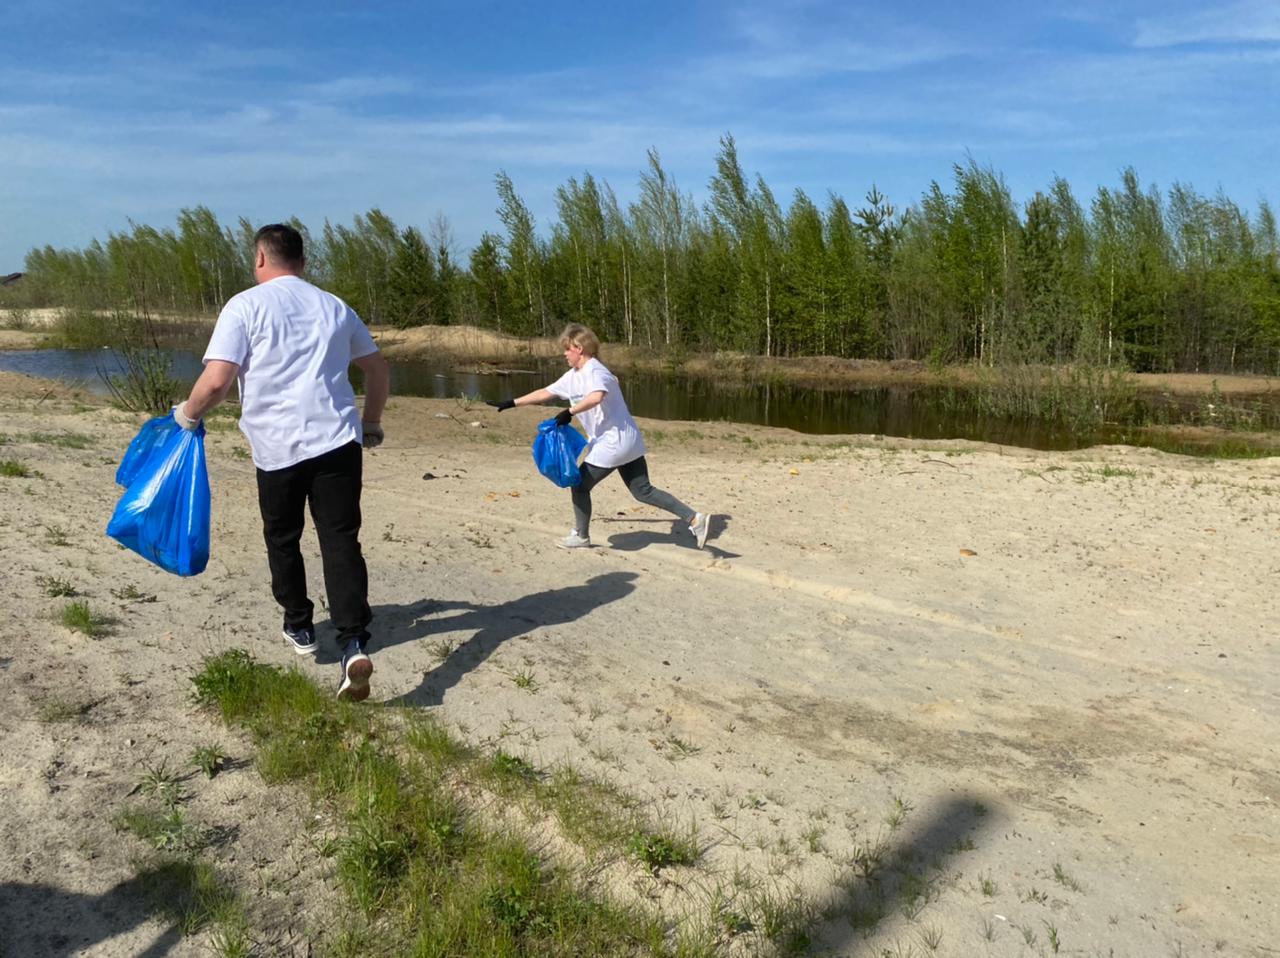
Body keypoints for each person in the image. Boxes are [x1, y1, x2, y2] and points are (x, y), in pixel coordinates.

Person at [173, 224, 390, 702]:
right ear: (303, 262)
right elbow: (377, 367)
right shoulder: (334, 306)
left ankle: (300, 624)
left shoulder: (244, 306)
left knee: (283, 537)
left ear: (259, 258)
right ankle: (353, 642)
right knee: (340, 540)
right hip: (338, 442)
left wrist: (187, 416)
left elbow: (217, 381)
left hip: (278, 449)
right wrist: (371, 422)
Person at [489, 323, 711, 550]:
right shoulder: (573, 376)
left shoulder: (596, 371)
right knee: (643, 491)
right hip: (627, 442)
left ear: (579, 348)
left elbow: (597, 396)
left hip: (613, 443)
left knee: (579, 485)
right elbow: (546, 392)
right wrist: (512, 402)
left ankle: (581, 536)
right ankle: (695, 519)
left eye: (567, 349)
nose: (564, 354)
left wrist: (569, 412)